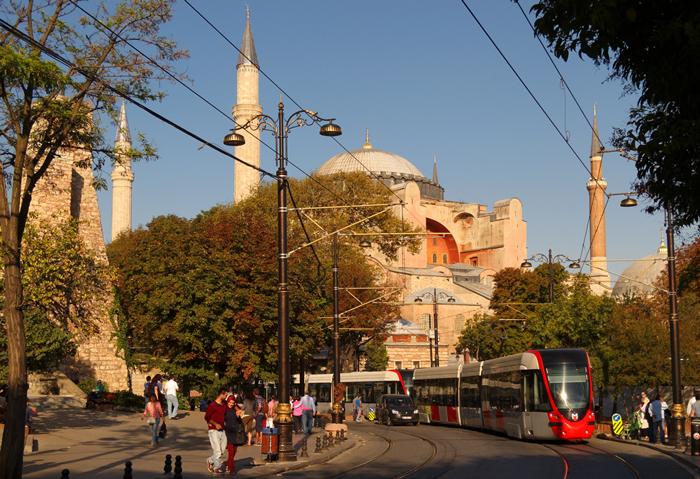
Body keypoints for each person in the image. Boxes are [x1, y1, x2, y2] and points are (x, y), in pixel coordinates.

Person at [205, 388, 228, 474]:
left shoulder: (224, 404)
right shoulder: (212, 405)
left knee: (221, 450)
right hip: (213, 430)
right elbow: (207, 417)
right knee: (217, 450)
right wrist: (215, 424)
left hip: (223, 430)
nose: (226, 396)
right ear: (221, 394)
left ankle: (210, 460)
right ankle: (216, 468)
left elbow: (233, 405)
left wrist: (238, 410)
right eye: (225, 395)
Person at [224, 395, 245, 476]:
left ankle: (228, 464)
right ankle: (230, 468)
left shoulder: (236, 408)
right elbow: (223, 418)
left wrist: (239, 415)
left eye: (233, 403)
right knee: (231, 451)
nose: (231, 404)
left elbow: (240, 419)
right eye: (230, 402)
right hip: (228, 432)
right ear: (228, 401)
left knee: (234, 451)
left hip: (236, 433)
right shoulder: (225, 408)